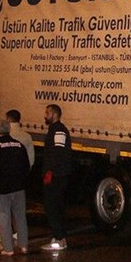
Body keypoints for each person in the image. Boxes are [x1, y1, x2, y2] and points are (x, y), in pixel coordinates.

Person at [0, 109, 35, 255]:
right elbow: (26, 165)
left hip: (1, 189)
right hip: (18, 188)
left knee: (3, 217)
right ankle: (24, 246)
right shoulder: (19, 145)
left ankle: (8, 248)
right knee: (20, 217)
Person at [41, 104, 73, 251]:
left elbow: (58, 152)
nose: (45, 115)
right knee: (56, 206)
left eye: (47, 113)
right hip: (57, 174)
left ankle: (59, 239)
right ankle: (59, 237)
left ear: (54, 114)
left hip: (57, 175)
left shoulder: (58, 130)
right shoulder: (54, 129)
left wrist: (50, 171)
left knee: (53, 206)